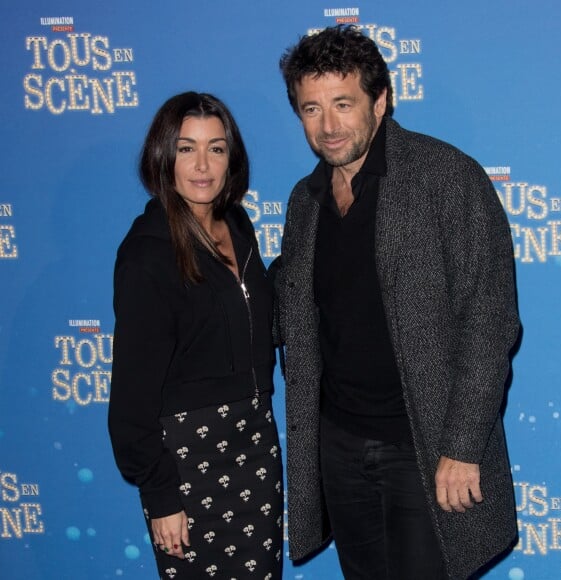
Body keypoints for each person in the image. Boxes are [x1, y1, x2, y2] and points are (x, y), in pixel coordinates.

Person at [274, 26, 520, 579]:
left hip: (424, 445)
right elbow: (302, 315)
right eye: (311, 109)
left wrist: (461, 445)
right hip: (339, 443)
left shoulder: (445, 176)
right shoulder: (304, 202)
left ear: (380, 101)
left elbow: (488, 319)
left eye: (343, 104)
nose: (328, 126)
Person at [108, 92, 283, 579]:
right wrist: (160, 494)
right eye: (187, 149)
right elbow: (129, 402)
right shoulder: (148, 256)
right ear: (163, 157)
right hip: (188, 463)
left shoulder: (237, 225)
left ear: (232, 158)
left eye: (217, 148)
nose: (202, 165)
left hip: (255, 445)